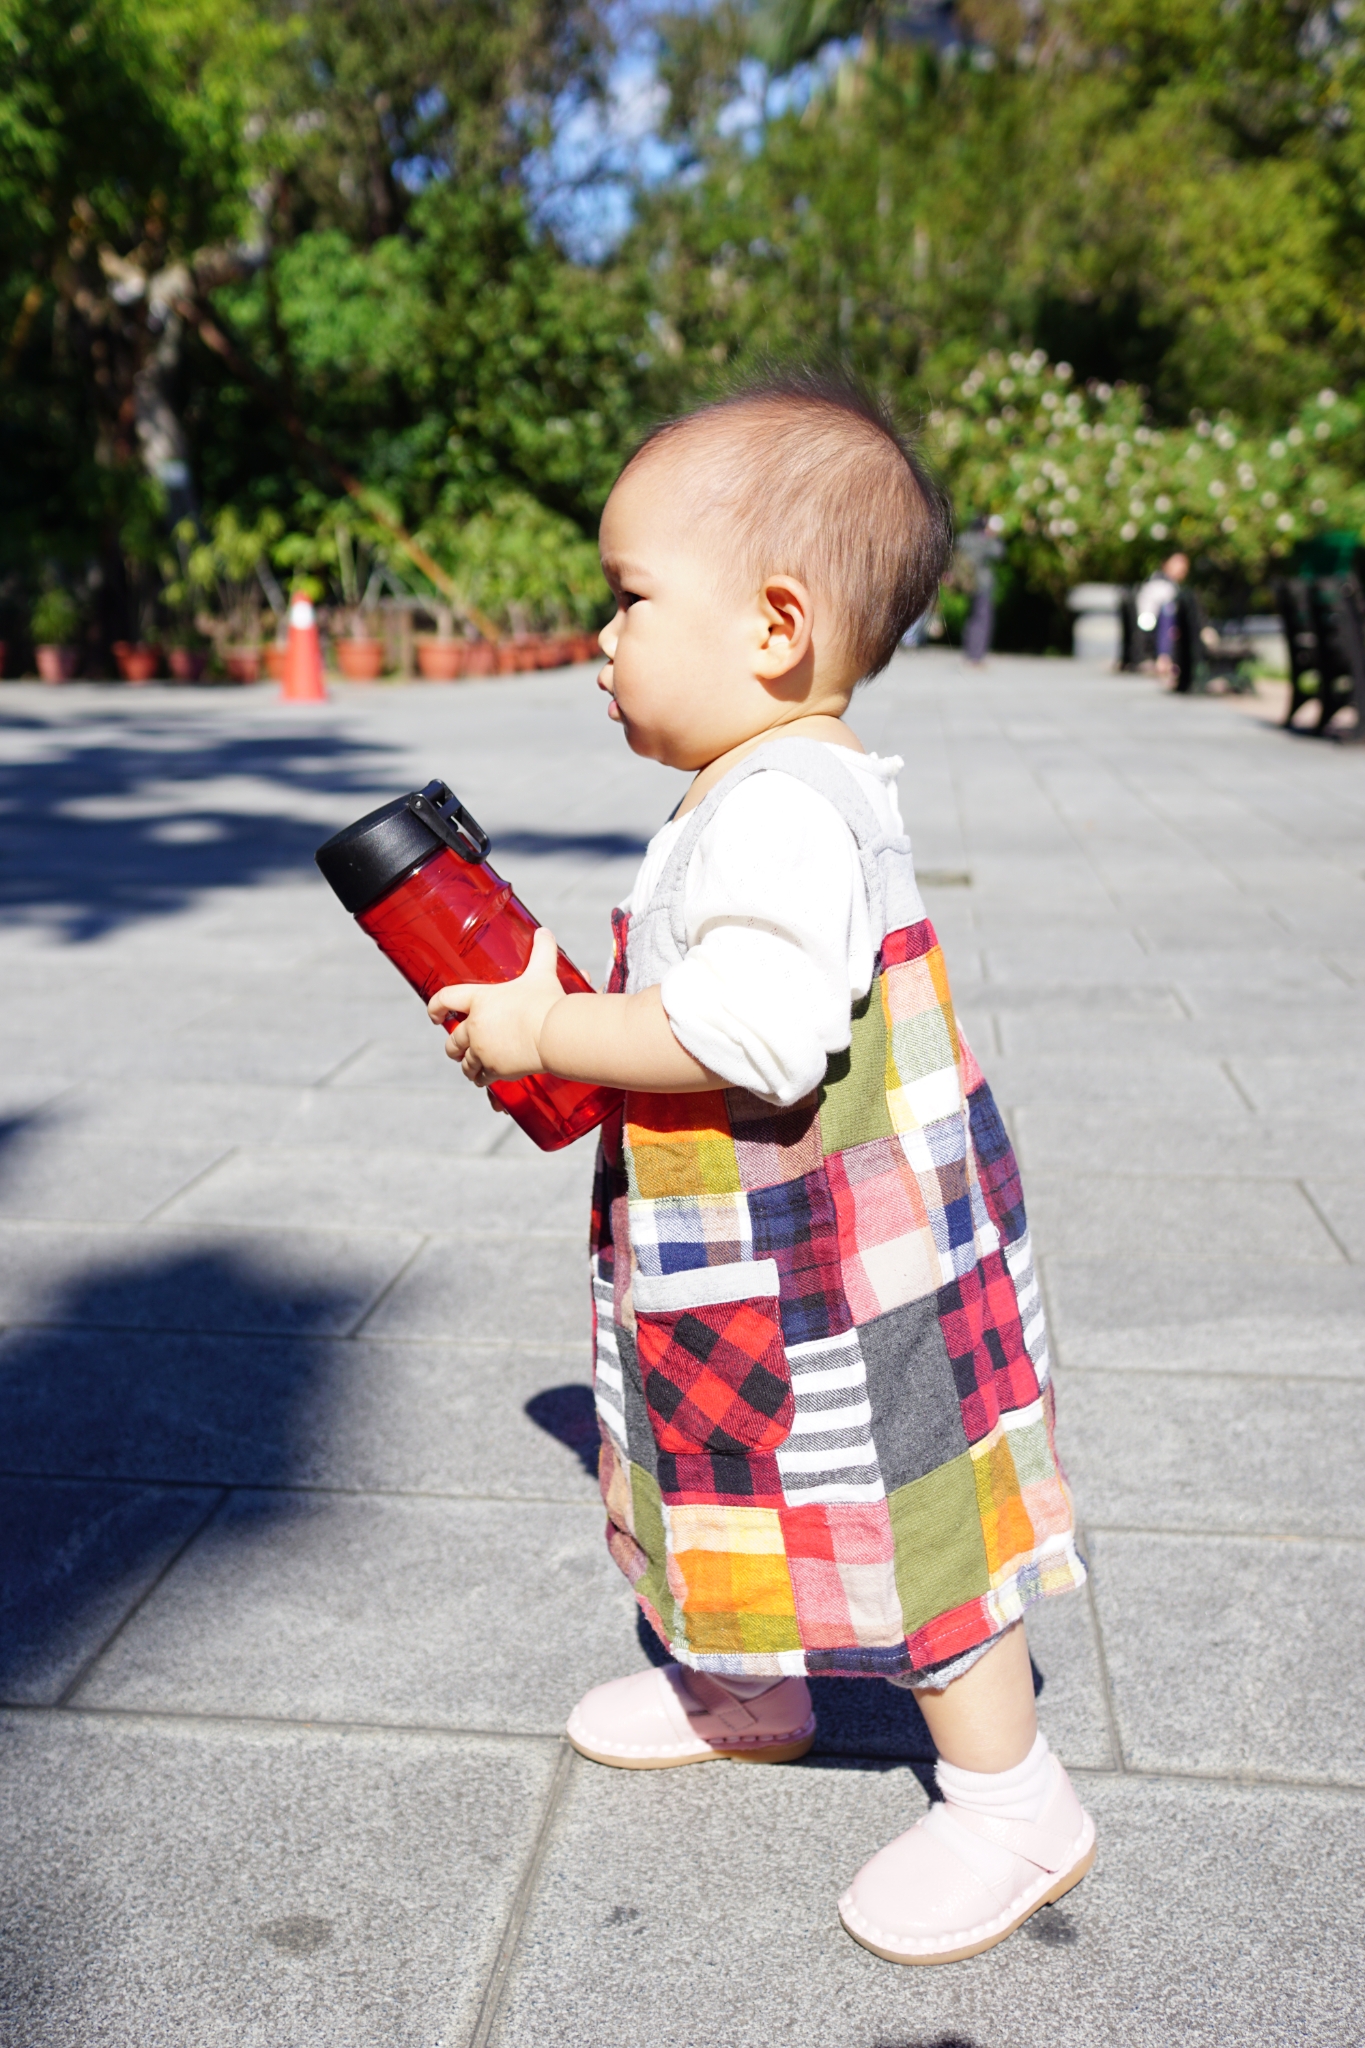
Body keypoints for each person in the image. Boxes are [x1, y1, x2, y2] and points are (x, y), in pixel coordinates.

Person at [428, 372, 1094, 1967]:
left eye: (629, 598)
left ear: (775, 626)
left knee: (909, 1505)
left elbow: (756, 1033)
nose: (601, 638)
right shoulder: (750, 786)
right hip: (756, 1258)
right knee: (720, 1465)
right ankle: (749, 1683)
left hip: (846, 1280)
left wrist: (550, 1028)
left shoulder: (785, 807)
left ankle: (1012, 1797)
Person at [1135, 550, 1191, 687]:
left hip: (1151, 628)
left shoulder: (1161, 582)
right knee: (1169, 613)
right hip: (1152, 630)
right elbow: (1165, 617)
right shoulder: (1162, 585)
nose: (1182, 568)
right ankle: (1165, 659)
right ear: (1166, 564)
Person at [957, 513, 1005, 664]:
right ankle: (976, 656)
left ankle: (969, 652)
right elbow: (999, 552)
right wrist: (993, 536)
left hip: (968, 584)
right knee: (982, 619)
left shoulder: (964, 538)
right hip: (982, 584)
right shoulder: (985, 541)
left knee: (972, 618)